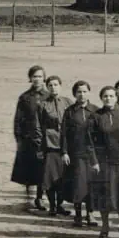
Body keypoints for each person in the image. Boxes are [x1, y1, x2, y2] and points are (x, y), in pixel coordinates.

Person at [87, 86, 119, 238]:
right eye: (105, 96)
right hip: (104, 162)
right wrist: (94, 161)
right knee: (105, 195)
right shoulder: (95, 117)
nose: (108, 98)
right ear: (101, 98)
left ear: (116, 98)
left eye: (111, 96)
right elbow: (89, 142)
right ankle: (105, 227)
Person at [11, 65, 49, 212]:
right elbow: (18, 119)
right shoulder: (25, 97)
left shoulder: (48, 96)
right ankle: (28, 196)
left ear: (44, 78)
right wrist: (19, 137)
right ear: (30, 78)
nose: (37, 79)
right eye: (34, 76)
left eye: (40, 76)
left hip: (44, 139)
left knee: (42, 169)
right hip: (28, 137)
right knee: (28, 168)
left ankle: (40, 197)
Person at [63, 80, 97, 227]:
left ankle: (90, 213)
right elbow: (63, 134)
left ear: (89, 93)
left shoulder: (95, 110)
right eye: (79, 92)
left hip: (92, 155)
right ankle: (77, 215)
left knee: (92, 184)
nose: (82, 95)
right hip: (76, 153)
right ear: (75, 94)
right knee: (78, 184)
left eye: (84, 91)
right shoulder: (69, 112)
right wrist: (64, 152)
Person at [37, 76, 71, 216]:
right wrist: (40, 148)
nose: (53, 87)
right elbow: (38, 127)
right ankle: (52, 205)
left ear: (61, 86)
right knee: (51, 177)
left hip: (67, 146)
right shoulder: (43, 105)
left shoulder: (68, 102)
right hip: (50, 146)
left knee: (64, 177)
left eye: (56, 84)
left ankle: (60, 205)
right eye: (50, 85)